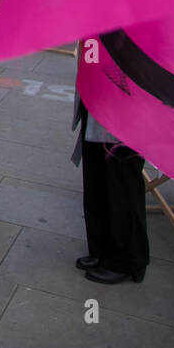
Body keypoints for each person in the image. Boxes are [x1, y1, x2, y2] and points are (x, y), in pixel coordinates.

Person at [72, 92, 149, 285]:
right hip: (98, 87)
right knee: (97, 172)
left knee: (121, 179)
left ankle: (126, 259)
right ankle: (101, 249)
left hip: (127, 96)